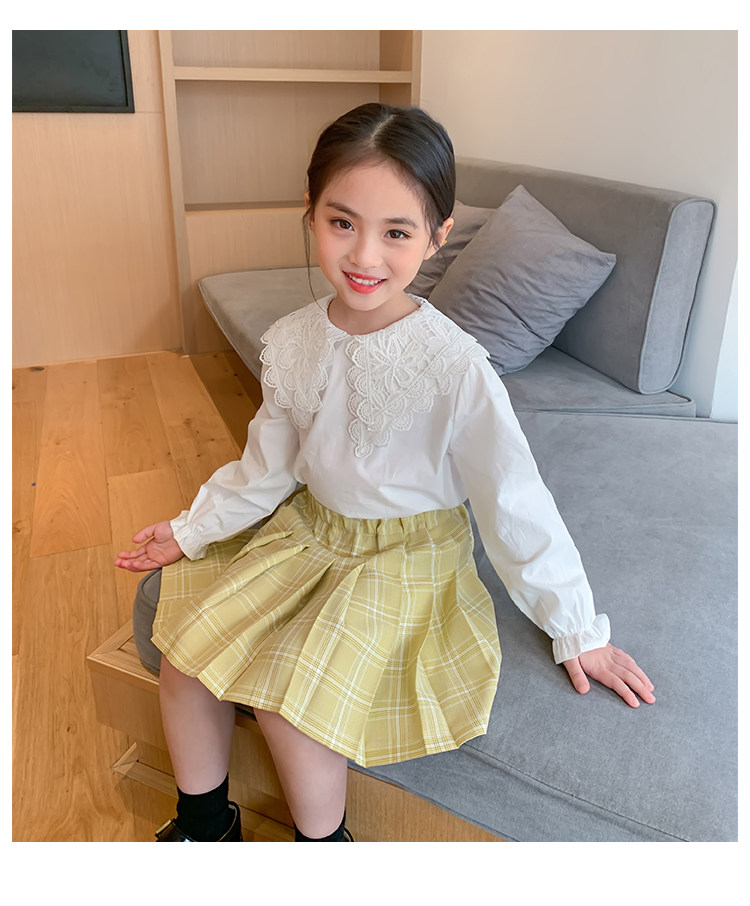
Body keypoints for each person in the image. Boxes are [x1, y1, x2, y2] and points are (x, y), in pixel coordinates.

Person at [116, 102, 655, 843]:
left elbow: (514, 501)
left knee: (289, 704)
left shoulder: (455, 366)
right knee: (185, 660)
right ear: (310, 214)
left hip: (405, 559)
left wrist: (576, 628)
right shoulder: (293, 340)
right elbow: (266, 465)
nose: (364, 256)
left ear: (437, 237)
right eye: (342, 223)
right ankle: (205, 827)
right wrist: (191, 529)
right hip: (311, 534)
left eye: (396, 232)